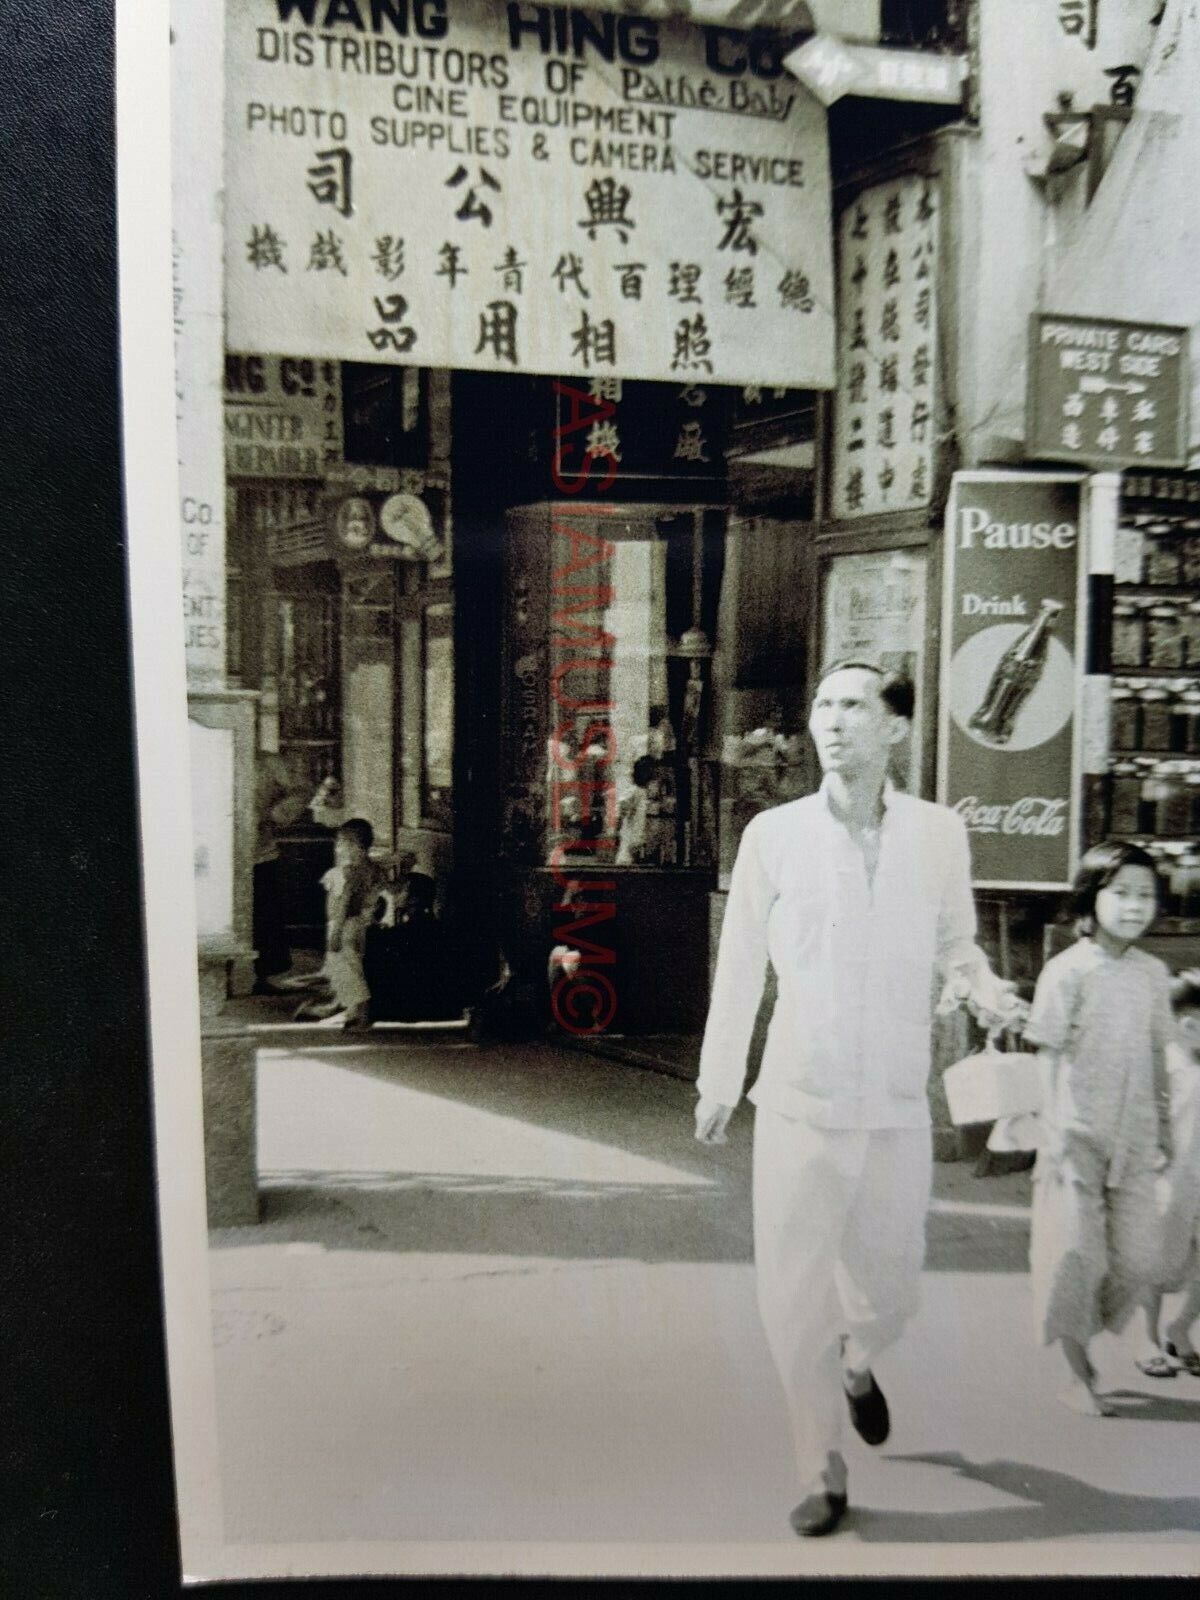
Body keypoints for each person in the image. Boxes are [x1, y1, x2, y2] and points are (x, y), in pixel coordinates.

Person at [694, 660, 1018, 1538]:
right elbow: (741, 965)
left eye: (853, 706)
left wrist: (988, 992)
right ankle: (819, 1461)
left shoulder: (937, 835)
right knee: (793, 1291)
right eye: (823, 705)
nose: (832, 721)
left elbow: (958, 944)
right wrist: (721, 1077)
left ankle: (859, 1358)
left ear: (896, 728)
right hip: (798, 1095)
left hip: (894, 1103)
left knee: (890, 1290)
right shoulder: (776, 834)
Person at [1024, 841, 1175, 1417]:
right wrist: (1052, 1127)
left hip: (1134, 1138)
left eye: (1146, 895)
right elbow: (1048, 1052)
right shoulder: (1067, 972)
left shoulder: (1154, 974)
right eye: (1123, 893)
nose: (1136, 906)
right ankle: (1075, 1369)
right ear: (1092, 898)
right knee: (1075, 1256)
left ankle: (1091, 1331)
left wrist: (1162, 1125)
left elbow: (1158, 1054)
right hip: (1075, 1136)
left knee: (1140, 1259)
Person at [1133, 970, 1200, 1380]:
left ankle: (1182, 1328)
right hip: (1170, 1176)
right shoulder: (1162, 1065)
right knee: (1156, 1261)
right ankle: (1148, 1338)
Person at [295, 818, 384, 1030]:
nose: (339, 847)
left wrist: (336, 933)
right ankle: (352, 1010)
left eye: (341, 842)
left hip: (344, 926)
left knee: (343, 967)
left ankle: (359, 1011)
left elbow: (346, 902)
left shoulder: (348, 873)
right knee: (352, 966)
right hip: (362, 924)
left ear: (353, 844)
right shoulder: (373, 869)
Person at [253, 747, 310, 989]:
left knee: (264, 914)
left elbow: (303, 789)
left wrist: (277, 814)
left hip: (260, 850)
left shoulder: (269, 762)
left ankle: (264, 976)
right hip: (220, 853)